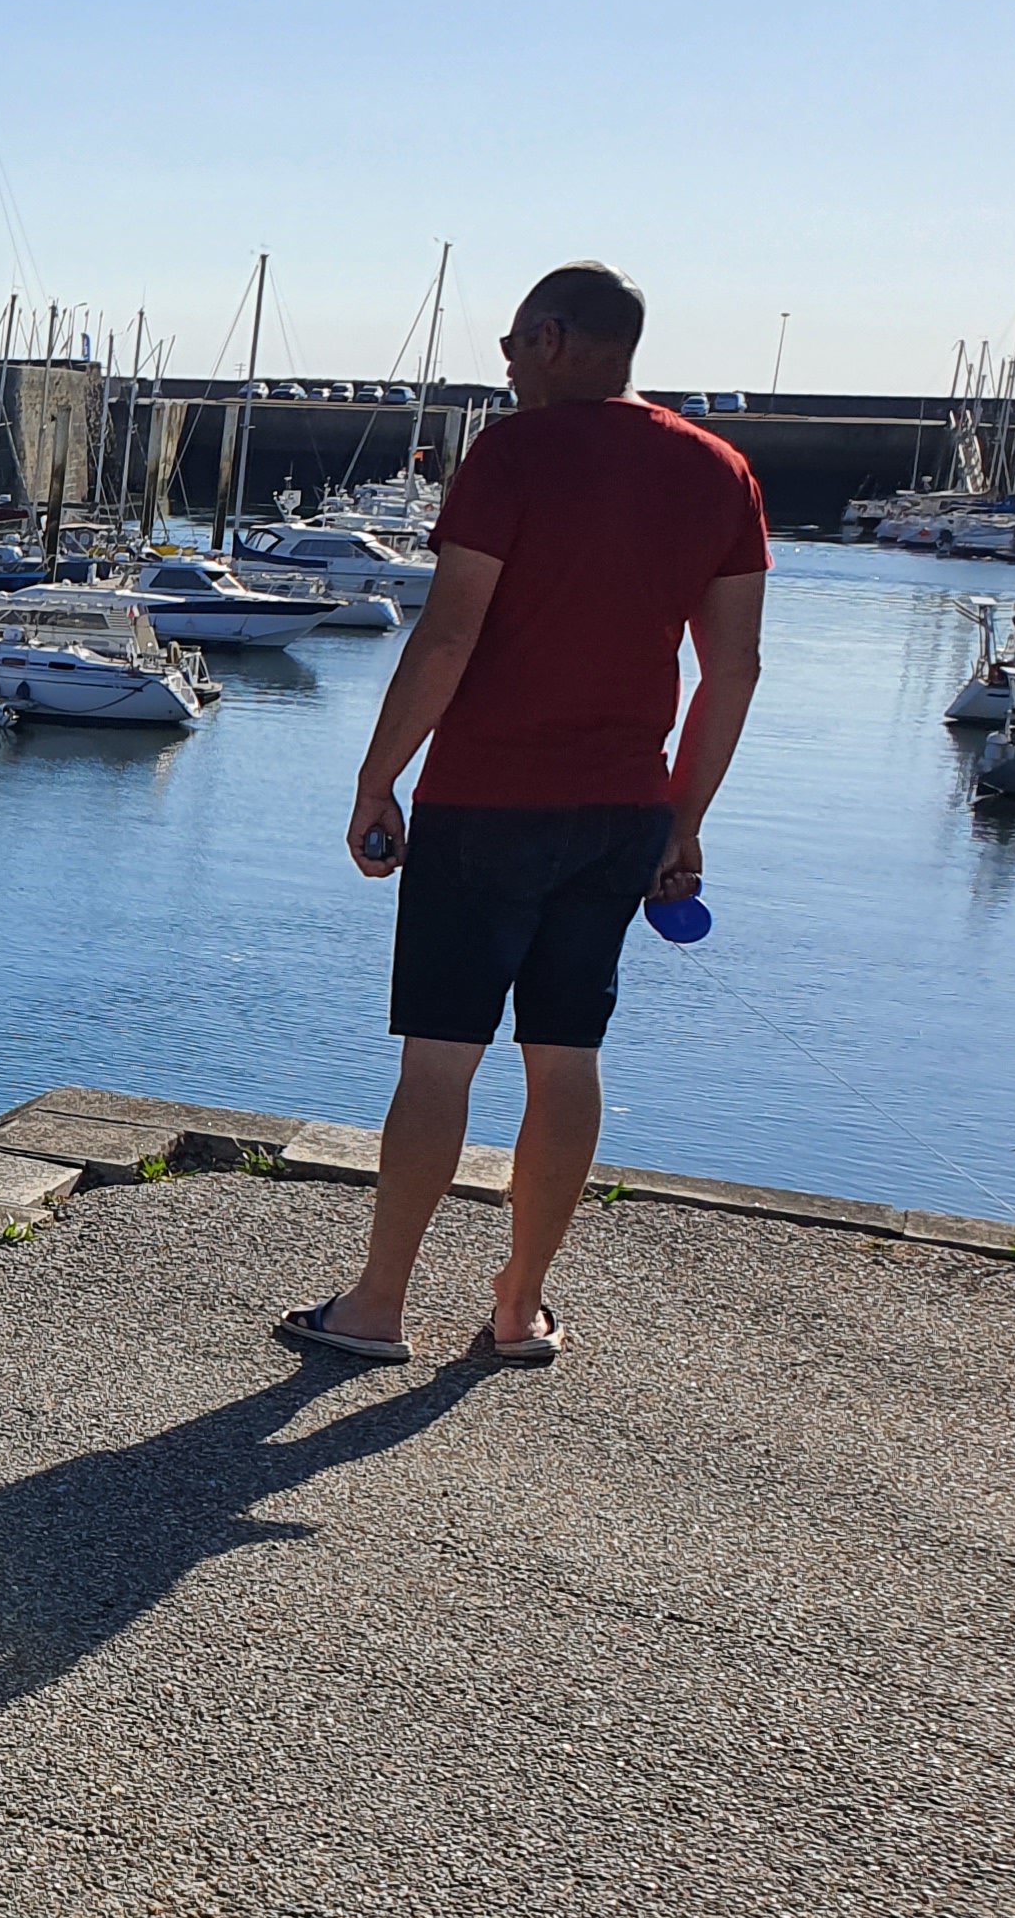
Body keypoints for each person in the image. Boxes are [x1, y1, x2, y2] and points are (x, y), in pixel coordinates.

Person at [282, 262, 767, 1367]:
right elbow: (732, 668)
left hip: (487, 801)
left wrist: (376, 777)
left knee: (440, 1058)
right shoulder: (721, 471)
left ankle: (378, 1307)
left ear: (552, 338)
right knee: (567, 1054)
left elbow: (449, 633)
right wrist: (684, 819)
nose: (502, 363)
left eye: (510, 343)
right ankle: (517, 1309)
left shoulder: (513, 454)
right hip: (624, 811)